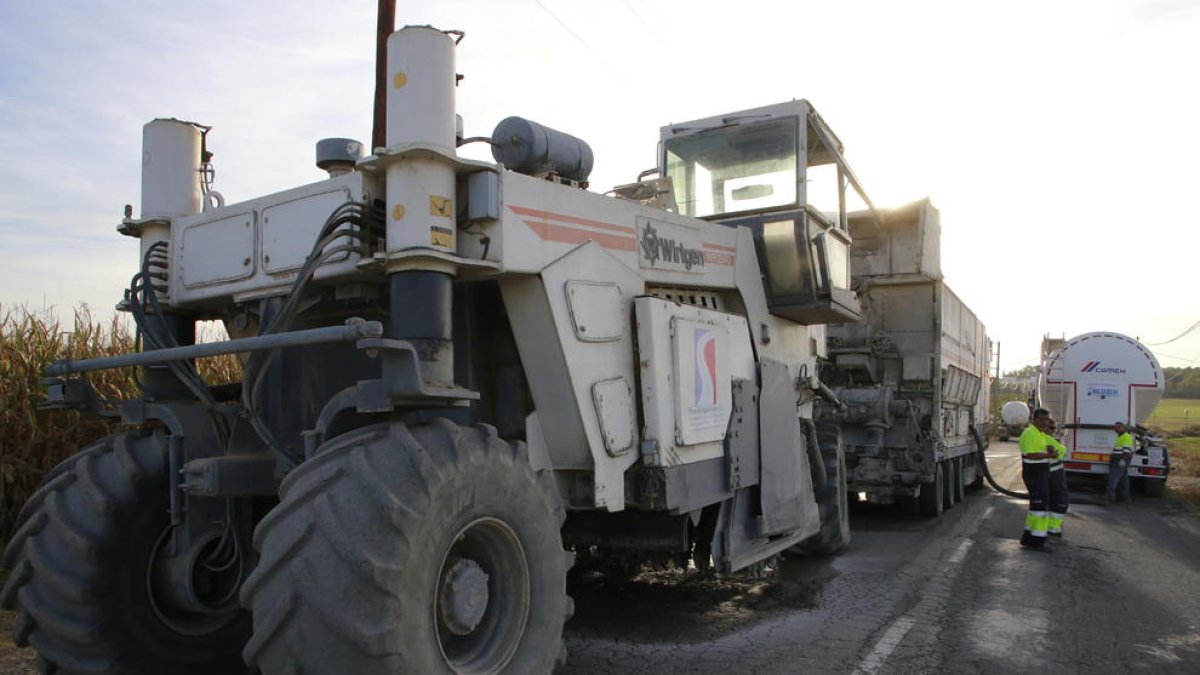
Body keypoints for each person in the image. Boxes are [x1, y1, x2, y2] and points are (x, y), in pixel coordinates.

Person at [1019, 408, 1058, 551]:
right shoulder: (1030, 433)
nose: (1044, 422)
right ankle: (1037, 541)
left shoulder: (1039, 433)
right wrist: (1050, 456)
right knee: (1039, 508)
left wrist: (1048, 450)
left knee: (1036, 508)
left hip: (1039, 474)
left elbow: (1038, 452)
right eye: (1041, 419)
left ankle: (1029, 538)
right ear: (1034, 419)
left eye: (1046, 420)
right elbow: (1030, 455)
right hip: (1034, 474)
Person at [1045, 419, 1069, 539]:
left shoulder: (1045, 439)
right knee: (1060, 502)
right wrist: (1061, 448)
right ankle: (1053, 530)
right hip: (1054, 476)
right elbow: (1062, 452)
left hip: (1052, 475)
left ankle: (1051, 528)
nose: (1054, 431)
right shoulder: (1048, 440)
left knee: (1051, 502)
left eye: (1054, 428)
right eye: (1052, 428)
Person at [1105, 421, 1135, 504]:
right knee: (1123, 479)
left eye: (1118, 427)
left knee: (1113, 478)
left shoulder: (1126, 437)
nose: (1116, 429)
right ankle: (1125, 497)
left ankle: (1109, 497)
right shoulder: (1120, 436)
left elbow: (1127, 451)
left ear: (1123, 428)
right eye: (1115, 427)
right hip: (1118, 459)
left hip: (1121, 460)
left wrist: (1122, 460)